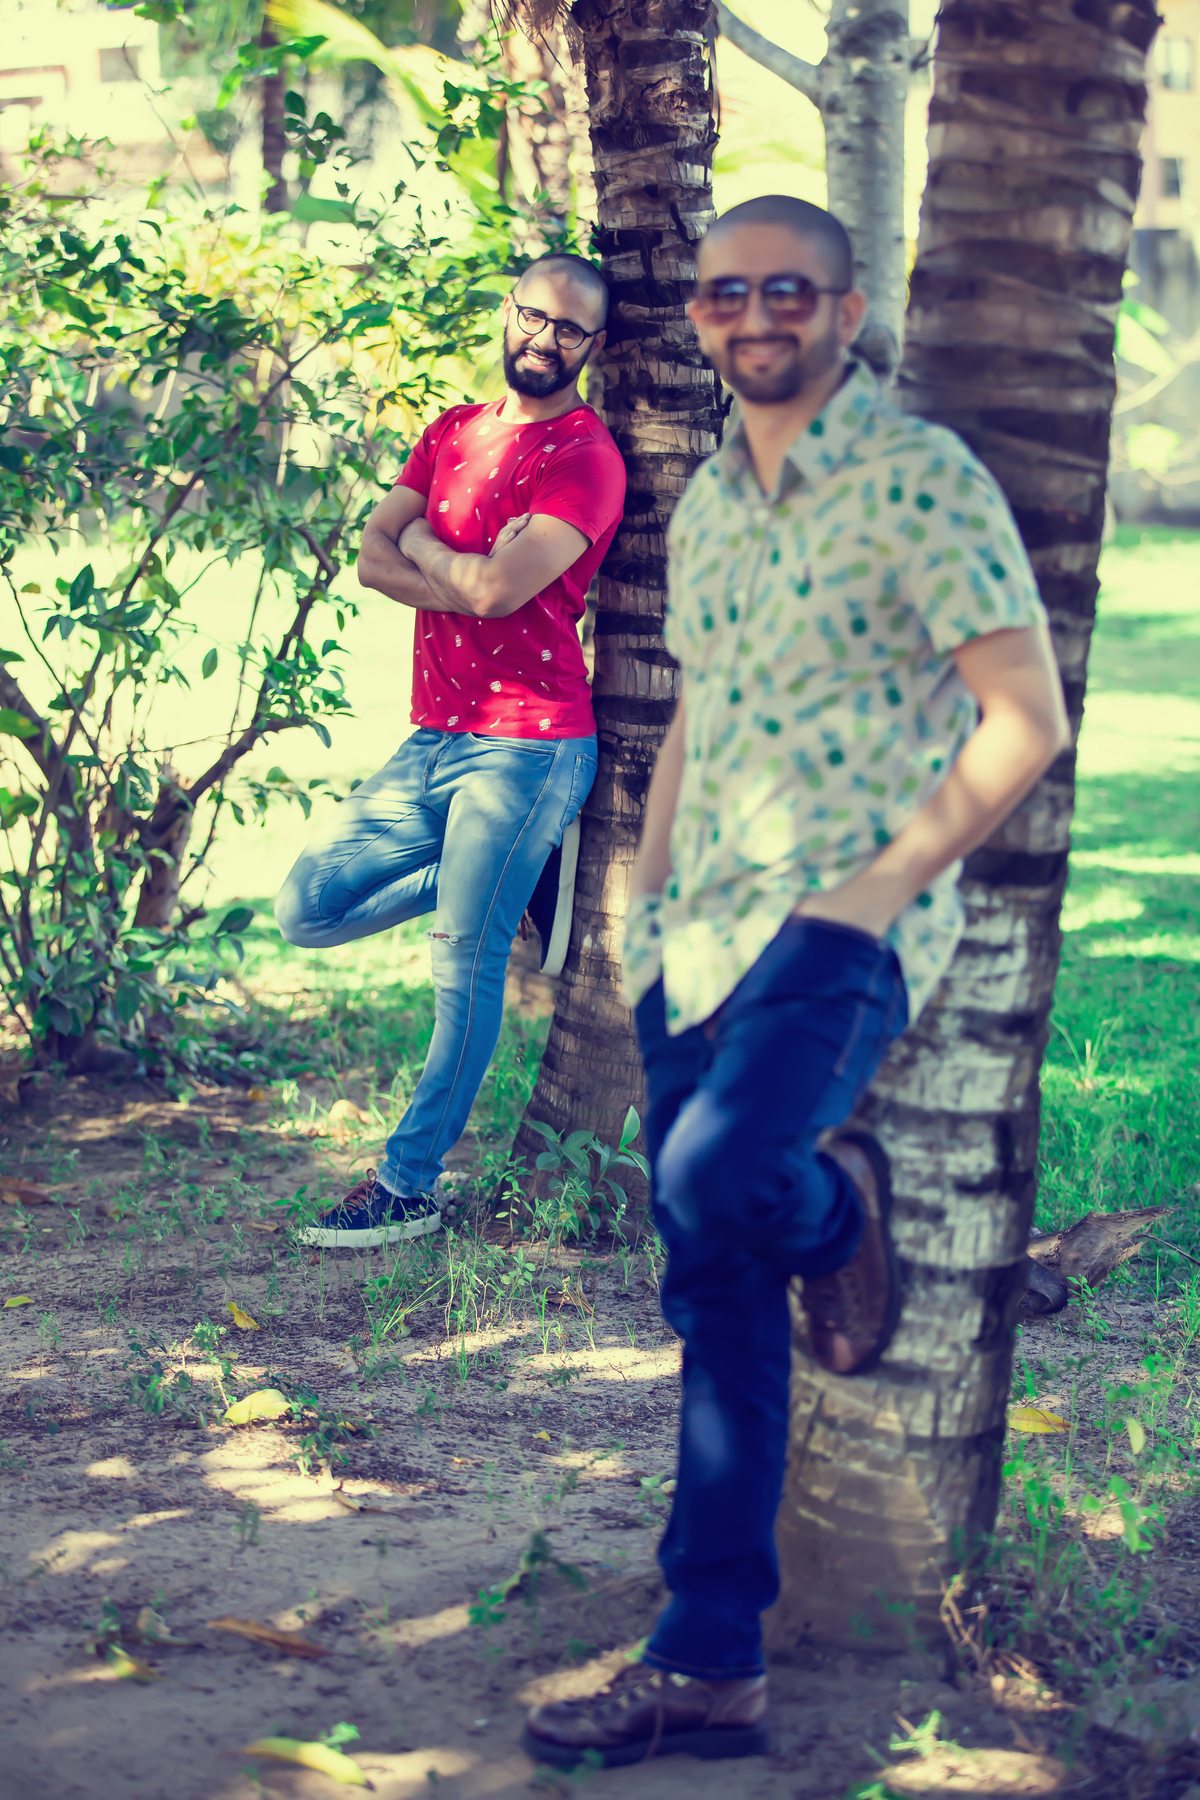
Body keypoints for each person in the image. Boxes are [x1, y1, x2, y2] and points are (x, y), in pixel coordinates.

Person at [521, 196, 1070, 1770]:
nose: (753, 315)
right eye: (723, 295)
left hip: (843, 925)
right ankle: (707, 1667)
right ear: (694, 320)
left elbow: (1022, 718)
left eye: (788, 290)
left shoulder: (918, 481)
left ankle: (841, 1209)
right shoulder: (708, 506)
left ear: (844, 311)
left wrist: (873, 894)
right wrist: (643, 886)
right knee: (708, 1281)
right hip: (699, 928)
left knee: (725, 1175)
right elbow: (696, 704)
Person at [274, 254, 626, 1248]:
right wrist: (446, 556)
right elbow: (370, 555)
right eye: (533, 316)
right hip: (434, 739)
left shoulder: (586, 457)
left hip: (528, 746)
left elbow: (494, 591)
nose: (544, 339)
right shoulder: (450, 432)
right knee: (306, 907)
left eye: (570, 330)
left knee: (460, 966)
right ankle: (520, 871)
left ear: (594, 349)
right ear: (508, 313)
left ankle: (409, 1183)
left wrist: (429, 547)